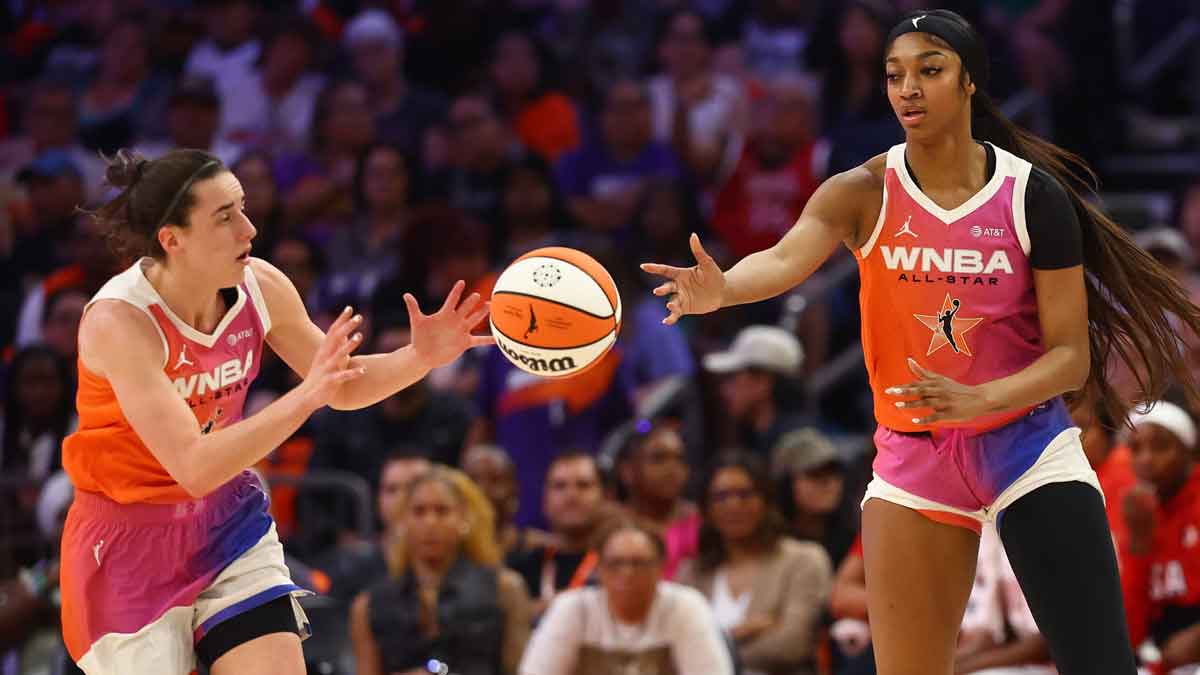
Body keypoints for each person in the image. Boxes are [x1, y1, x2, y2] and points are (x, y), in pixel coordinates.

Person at [642, 9, 1200, 674]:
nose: (907, 88)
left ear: (968, 83)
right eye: (894, 75)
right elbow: (788, 258)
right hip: (915, 456)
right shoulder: (864, 190)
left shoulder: (1031, 196)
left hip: (1025, 443)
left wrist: (978, 398)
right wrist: (726, 288)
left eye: (928, 71)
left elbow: (1070, 359)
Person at [58, 148, 493, 675]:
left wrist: (421, 357)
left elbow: (341, 387)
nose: (249, 229)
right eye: (225, 217)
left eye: (243, 208)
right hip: (127, 544)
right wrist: (308, 393)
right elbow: (193, 466)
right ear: (173, 240)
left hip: (225, 525)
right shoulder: (119, 321)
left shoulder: (260, 285)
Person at [350, 467, 531, 675]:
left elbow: (521, 671)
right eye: (419, 511)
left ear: (464, 519)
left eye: (442, 511)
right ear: (403, 522)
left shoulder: (505, 589)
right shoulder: (368, 606)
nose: (430, 522)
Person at [676, 452, 832, 675]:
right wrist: (736, 634)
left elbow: (792, 646)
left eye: (745, 494)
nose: (734, 504)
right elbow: (675, 648)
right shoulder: (690, 573)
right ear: (706, 508)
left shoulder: (804, 560)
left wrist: (708, 648)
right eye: (721, 496)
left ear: (766, 501)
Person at [518, 521, 734, 675]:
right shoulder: (572, 608)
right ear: (600, 569)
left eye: (639, 563)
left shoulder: (686, 606)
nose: (627, 573)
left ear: (660, 567)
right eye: (616, 563)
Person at [1119, 401, 1200, 673]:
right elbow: (1131, 634)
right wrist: (1138, 545)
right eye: (1136, 449)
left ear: (1188, 450)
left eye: (1160, 446)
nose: (1146, 459)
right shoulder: (1139, 512)